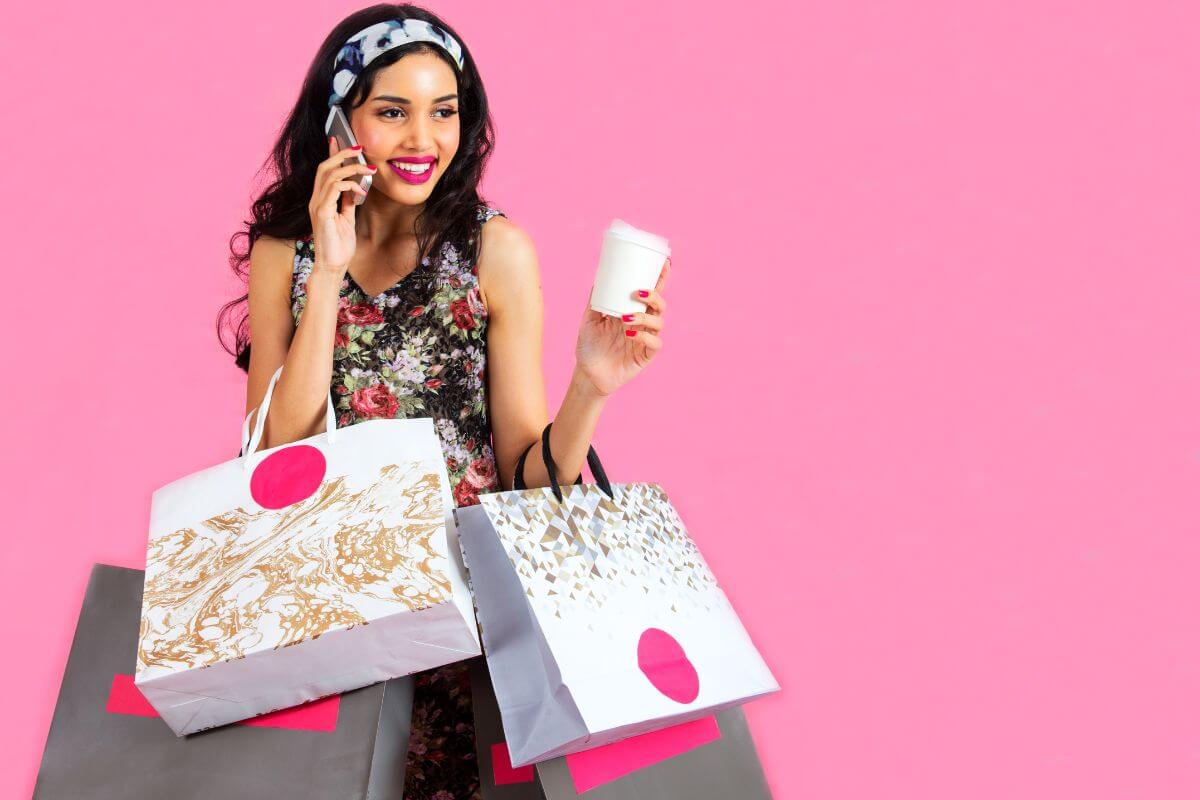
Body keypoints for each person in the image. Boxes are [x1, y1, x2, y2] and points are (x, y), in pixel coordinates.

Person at [216, 4, 670, 798]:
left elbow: (529, 476)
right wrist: (328, 268)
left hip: (469, 629)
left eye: (445, 110)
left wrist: (590, 386)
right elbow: (273, 459)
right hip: (330, 614)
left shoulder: (495, 249)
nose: (424, 138)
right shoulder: (286, 252)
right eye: (392, 111)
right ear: (340, 121)